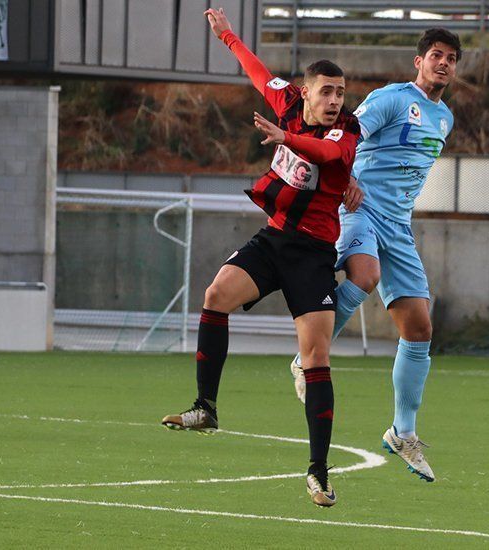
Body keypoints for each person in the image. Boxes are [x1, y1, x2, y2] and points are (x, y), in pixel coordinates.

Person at [160, 7, 362, 507]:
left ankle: (318, 470)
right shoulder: (287, 101)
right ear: (307, 91)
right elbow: (255, 71)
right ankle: (205, 407)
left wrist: (285, 138)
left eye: (341, 92)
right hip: (273, 239)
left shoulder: (346, 133)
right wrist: (227, 35)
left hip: (313, 254)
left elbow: (330, 157)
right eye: (327, 92)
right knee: (215, 295)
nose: (335, 101)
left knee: (316, 357)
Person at [290, 28, 462, 483]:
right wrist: (345, 179)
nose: (443, 63)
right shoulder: (391, 98)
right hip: (360, 207)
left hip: (399, 227)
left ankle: (402, 432)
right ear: (418, 61)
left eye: (450, 58)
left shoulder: (445, 119)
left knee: (420, 327)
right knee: (363, 276)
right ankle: (307, 359)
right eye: (435, 56)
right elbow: (344, 134)